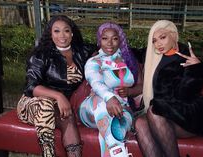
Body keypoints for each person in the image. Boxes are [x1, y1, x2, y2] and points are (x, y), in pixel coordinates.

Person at [134, 20, 203, 157]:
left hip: (188, 118)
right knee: (140, 122)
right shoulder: (153, 56)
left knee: (154, 111)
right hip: (163, 116)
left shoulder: (186, 58)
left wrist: (197, 69)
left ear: (174, 35)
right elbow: (129, 51)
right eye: (154, 40)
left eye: (163, 37)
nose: (158, 44)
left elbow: (185, 95)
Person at [16, 15, 96, 157]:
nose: (62, 36)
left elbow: (111, 47)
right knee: (46, 105)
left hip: (61, 106)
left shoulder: (83, 52)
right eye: (56, 31)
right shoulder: (41, 55)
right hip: (34, 102)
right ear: (50, 34)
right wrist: (58, 96)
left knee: (68, 116)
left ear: (72, 33)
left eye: (66, 31)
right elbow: (31, 87)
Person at [78, 22, 143, 157]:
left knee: (117, 123)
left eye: (114, 38)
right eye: (105, 38)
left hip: (123, 109)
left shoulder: (129, 61)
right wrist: (110, 98)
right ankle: (118, 153)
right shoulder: (94, 62)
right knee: (101, 103)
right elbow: (96, 82)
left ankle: (114, 153)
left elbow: (142, 87)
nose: (110, 43)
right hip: (92, 109)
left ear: (120, 40)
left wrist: (129, 92)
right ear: (99, 40)